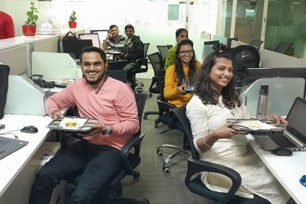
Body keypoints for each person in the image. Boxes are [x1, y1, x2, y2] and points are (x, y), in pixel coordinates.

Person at [29, 46, 139, 204]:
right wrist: (53, 111)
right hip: (86, 144)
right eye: (87, 64)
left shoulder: (120, 90)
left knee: (79, 198)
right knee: (44, 176)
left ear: (105, 65)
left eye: (97, 64)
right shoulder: (77, 86)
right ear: (80, 66)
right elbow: (52, 100)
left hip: (112, 149)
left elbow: (133, 124)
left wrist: (106, 128)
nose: (92, 69)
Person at [186, 48, 292, 204]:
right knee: (280, 185)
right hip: (219, 164)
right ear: (208, 71)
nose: (227, 74)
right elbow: (199, 146)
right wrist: (216, 134)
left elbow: (248, 121)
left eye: (230, 70)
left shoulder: (231, 97)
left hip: (244, 155)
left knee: (283, 177)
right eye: (221, 69)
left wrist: (267, 119)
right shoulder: (197, 104)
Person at [163, 39, 201, 108]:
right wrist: (177, 90)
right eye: (183, 52)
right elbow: (166, 94)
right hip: (179, 107)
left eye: (190, 51)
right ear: (178, 55)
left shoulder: (197, 64)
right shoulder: (171, 69)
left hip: (195, 103)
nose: (187, 54)